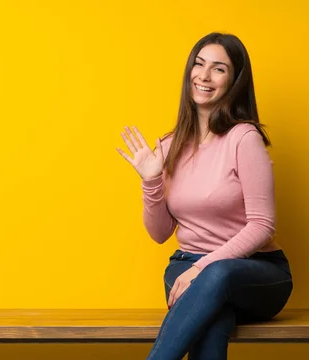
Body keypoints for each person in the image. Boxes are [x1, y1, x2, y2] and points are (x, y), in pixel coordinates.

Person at [117, 32, 293, 360]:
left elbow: (262, 226)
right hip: (186, 265)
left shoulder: (244, 138)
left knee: (218, 274)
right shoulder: (169, 146)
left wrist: (203, 270)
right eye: (199, 65)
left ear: (235, 81)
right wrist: (152, 181)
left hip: (254, 272)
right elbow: (159, 235)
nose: (204, 76)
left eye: (219, 69)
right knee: (212, 323)